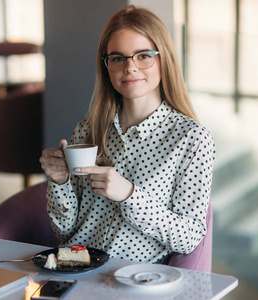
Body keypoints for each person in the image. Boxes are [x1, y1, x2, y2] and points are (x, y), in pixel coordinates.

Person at [39, 5, 215, 263]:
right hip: (74, 271)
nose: (130, 67)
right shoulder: (87, 130)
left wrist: (130, 195)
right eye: (118, 58)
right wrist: (59, 182)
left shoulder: (191, 139)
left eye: (143, 55)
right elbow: (65, 230)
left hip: (132, 281)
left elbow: (189, 237)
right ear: (107, 65)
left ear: (163, 58)